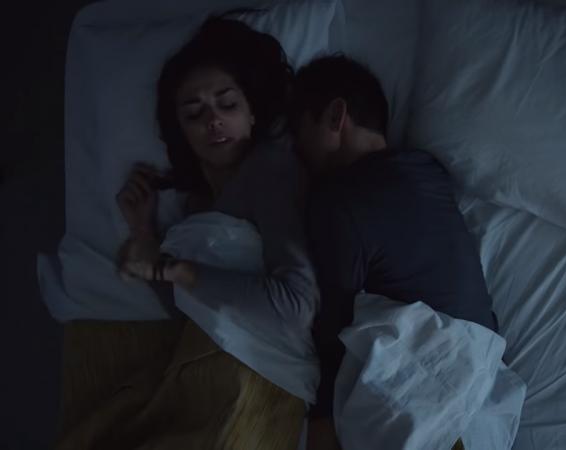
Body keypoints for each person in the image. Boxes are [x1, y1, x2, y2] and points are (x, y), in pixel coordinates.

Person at [58, 17, 316, 449]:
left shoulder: (271, 170)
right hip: (188, 374)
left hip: (256, 376)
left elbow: (295, 307)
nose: (213, 119)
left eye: (227, 104)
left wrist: (171, 268)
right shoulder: (194, 207)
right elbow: (193, 312)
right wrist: (143, 232)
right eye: (195, 113)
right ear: (181, 131)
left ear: (253, 113)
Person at [290, 54, 497, 450]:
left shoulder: (336, 199)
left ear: (335, 116)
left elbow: (334, 317)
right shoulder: (428, 172)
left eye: (299, 130)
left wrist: (321, 418)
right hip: (483, 378)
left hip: (423, 383)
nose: (296, 149)